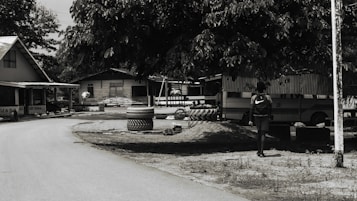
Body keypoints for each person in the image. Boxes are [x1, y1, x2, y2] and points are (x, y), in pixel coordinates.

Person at [248, 81, 273, 157]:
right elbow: (270, 107)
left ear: (257, 89)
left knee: (258, 132)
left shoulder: (253, 97)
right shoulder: (268, 97)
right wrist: (270, 116)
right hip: (265, 116)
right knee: (263, 134)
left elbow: (251, 109)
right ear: (264, 89)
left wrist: (250, 119)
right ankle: (261, 151)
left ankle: (258, 150)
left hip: (256, 116)